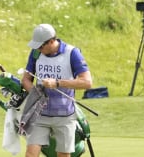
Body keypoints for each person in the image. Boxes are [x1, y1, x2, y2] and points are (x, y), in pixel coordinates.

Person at [22, 23, 92, 157]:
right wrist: (35, 93)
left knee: (63, 155)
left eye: (41, 46)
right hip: (39, 114)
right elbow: (26, 79)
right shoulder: (36, 52)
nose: (38, 49)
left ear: (52, 41)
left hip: (65, 116)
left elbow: (87, 82)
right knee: (30, 154)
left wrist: (58, 83)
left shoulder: (72, 53)